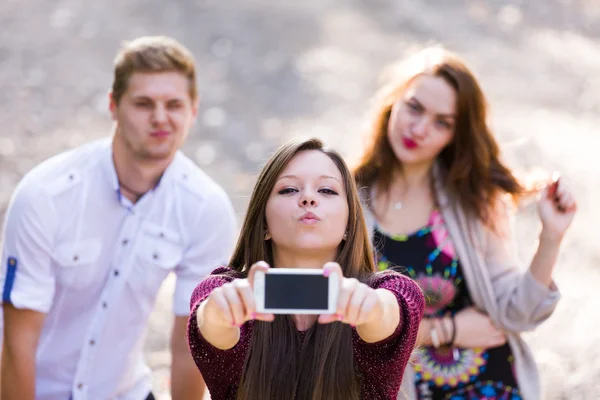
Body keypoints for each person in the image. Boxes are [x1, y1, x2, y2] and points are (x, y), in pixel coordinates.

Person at [0, 36, 236, 400]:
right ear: (113, 105)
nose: (160, 118)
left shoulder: (206, 208)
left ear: (193, 110)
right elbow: (18, 344)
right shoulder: (45, 195)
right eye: (144, 104)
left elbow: (189, 345)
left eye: (174, 104)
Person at [353, 46, 577, 400]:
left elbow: (516, 315)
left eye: (442, 122)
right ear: (392, 102)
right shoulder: (346, 199)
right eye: (414, 107)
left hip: (488, 384)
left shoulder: (473, 200)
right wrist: (445, 330)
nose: (421, 128)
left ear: (455, 136)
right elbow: (336, 321)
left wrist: (550, 237)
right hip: (399, 388)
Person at [186, 138, 425, 400]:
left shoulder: (391, 290)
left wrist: (373, 308)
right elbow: (209, 321)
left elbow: (390, 313)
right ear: (263, 222)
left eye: (327, 190)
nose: (308, 198)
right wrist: (219, 312)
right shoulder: (223, 290)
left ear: (350, 222)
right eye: (289, 190)